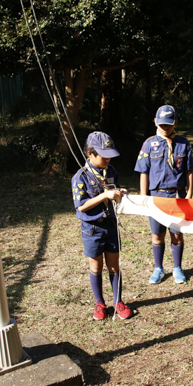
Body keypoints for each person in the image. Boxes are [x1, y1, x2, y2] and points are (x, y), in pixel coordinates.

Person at [72, 131, 132, 321]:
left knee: (114, 266)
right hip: (92, 229)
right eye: (103, 155)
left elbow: (113, 192)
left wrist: (118, 192)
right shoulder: (80, 177)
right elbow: (81, 206)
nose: (108, 158)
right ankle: (99, 303)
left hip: (111, 226)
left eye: (110, 154)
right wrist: (104, 196)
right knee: (96, 267)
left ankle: (118, 301)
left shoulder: (111, 171)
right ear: (90, 154)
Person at [134, 105, 193, 284]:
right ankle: (158, 268)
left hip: (177, 196)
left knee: (176, 233)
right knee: (157, 234)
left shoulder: (183, 144)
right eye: (161, 124)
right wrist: (143, 197)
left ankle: (177, 267)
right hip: (156, 197)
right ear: (155, 122)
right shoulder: (149, 144)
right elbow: (143, 172)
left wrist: (189, 194)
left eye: (168, 124)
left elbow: (189, 170)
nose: (165, 127)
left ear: (175, 122)